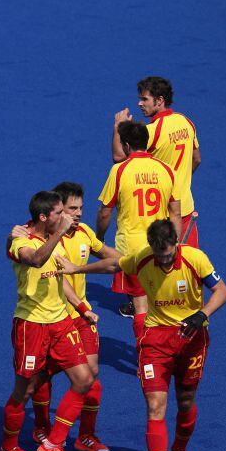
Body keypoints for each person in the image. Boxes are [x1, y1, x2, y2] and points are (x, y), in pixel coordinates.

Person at [55, 219, 226, 451]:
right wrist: (77, 268)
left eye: (168, 254)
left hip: (192, 338)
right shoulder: (143, 258)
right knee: (155, 406)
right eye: (159, 255)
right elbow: (114, 265)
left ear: (176, 243)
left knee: (185, 402)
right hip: (155, 342)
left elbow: (222, 291)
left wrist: (203, 314)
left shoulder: (195, 258)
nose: (163, 261)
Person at [12, 182, 121, 451]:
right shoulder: (45, 238)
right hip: (49, 319)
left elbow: (116, 260)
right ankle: (40, 427)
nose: (78, 214)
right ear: (54, 214)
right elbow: (49, 272)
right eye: (71, 209)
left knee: (90, 376)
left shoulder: (83, 233)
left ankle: (83, 436)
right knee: (39, 379)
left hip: (77, 317)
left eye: (80, 208)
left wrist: (147, 258)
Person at [0, 191, 97, 451]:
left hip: (60, 322)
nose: (66, 217)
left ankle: (52, 446)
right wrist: (60, 234)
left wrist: (80, 307)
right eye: (59, 213)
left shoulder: (56, 237)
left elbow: (58, 276)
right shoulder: (20, 241)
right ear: (43, 217)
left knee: (84, 379)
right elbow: (37, 260)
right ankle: (8, 450)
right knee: (25, 390)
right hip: (31, 326)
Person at [97, 120, 182, 339]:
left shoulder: (120, 170)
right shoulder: (166, 170)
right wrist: (175, 244)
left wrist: (99, 238)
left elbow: (105, 212)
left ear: (126, 146)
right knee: (164, 301)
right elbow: (175, 213)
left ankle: (146, 354)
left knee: (140, 305)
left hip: (133, 247)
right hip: (162, 243)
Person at [112, 76, 201, 247]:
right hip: (186, 210)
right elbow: (196, 159)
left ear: (159, 100)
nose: (140, 104)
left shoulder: (152, 131)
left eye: (144, 99)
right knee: (186, 267)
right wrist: (180, 181)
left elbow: (118, 157)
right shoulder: (186, 122)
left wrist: (118, 127)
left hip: (162, 216)